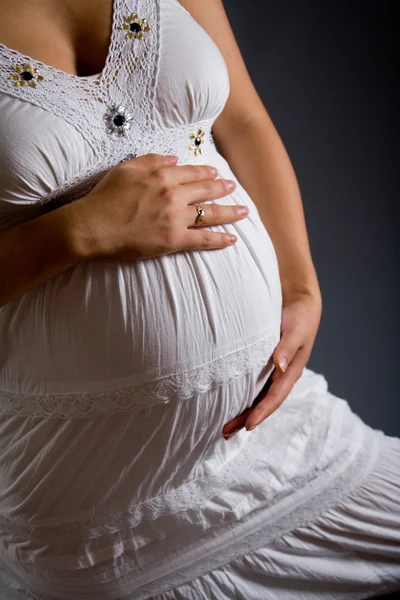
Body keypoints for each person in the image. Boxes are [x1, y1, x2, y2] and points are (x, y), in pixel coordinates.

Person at [0, 0, 398, 598]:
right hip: (103, 524)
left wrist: (300, 285)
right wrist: (78, 230)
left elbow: (243, 121)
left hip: (283, 441)